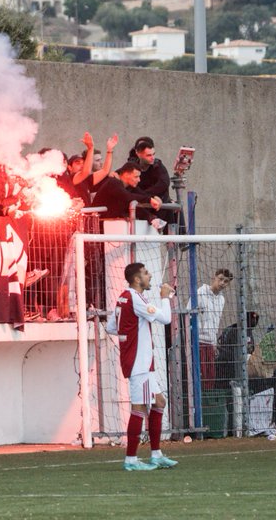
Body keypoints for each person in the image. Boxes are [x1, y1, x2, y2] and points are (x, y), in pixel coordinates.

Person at [106, 262, 177, 471]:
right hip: (140, 364)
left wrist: (128, 335)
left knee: (159, 402)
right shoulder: (135, 299)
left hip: (141, 362)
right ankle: (130, 460)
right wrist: (165, 297)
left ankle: (156, 455)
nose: (150, 276)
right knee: (139, 408)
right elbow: (165, 318)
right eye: (146, 273)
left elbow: (112, 327)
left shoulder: (124, 297)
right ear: (137, 279)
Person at [197, 268, 233, 389]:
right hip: (198, 341)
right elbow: (190, 315)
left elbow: (216, 321)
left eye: (226, 281)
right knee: (199, 376)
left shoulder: (221, 300)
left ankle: (207, 404)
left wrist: (213, 340)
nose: (222, 283)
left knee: (210, 376)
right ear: (215, 277)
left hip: (210, 342)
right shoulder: (200, 293)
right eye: (221, 279)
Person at [91, 162, 162, 221]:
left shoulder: (130, 186)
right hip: (99, 224)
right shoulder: (113, 183)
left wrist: (154, 198)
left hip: (109, 224)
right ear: (126, 174)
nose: (139, 180)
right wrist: (150, 200)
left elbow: (142, 194)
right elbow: (127, 197)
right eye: (136, 177)